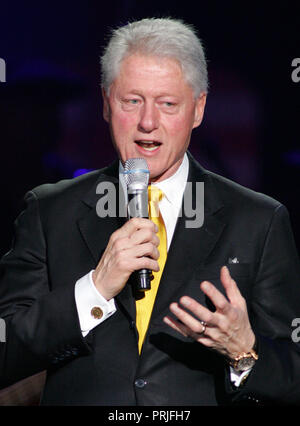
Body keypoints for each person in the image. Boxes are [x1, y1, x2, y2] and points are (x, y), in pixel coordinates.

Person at [0, 17, 300, 406]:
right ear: (107, 103)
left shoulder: (258, 220)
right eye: (132, 101)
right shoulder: (49, 211)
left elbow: (293, 373)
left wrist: (244, 352)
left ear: (199, 109)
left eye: (167, 103)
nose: (147, 122)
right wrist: (93, 289)